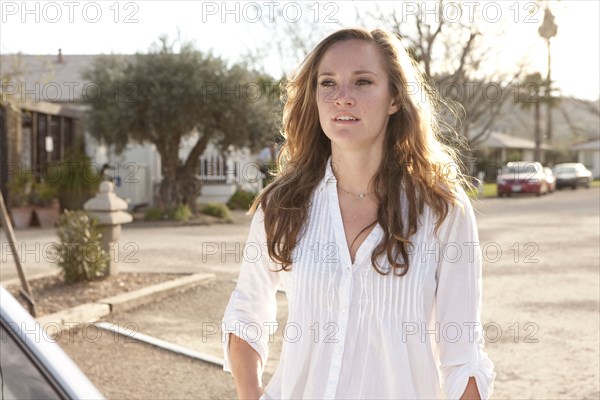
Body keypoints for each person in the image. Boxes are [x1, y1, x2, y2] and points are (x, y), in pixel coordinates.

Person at [222, 28, 496, 400]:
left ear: (395, 98)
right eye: (328, 83)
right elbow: (246, 315)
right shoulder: (282, 206)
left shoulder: (442, 210)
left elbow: (462, 353)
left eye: (363, 82)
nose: (342, 98)